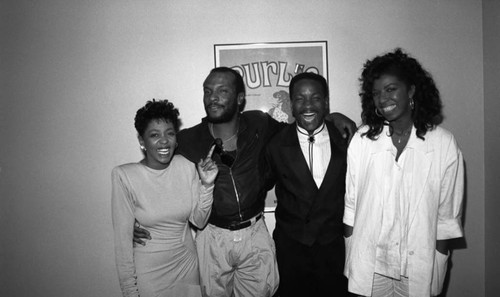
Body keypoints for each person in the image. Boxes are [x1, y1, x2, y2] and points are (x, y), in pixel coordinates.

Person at [134, 67, 356, 297]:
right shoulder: (189, 139)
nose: (213, 97)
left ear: (240, 99)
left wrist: (331, 118)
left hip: (255, 234)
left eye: (222, 91)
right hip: (212, 236)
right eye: (208, 91)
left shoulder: (261, 125)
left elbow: (301, 127)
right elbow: (154, 165)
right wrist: (139, 215)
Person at [343, 49, 464, 297]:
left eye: (390, 89)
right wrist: (352, 248)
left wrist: (439, 257)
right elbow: (351, 205)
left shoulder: (442, 143)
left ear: (411, 90)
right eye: (376, 93)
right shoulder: (363, 140)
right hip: (371, 265)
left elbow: (447, 216)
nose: (382, 99)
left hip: (418, 267)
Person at [111, 99, 218, 297]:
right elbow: (122, 245)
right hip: (149, 275)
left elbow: (199, 221)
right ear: (142, 141)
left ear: (176, 139)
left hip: (187, 269)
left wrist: (207, 185)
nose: (163, 141)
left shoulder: (186, 166)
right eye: (154, 135)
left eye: (169, 133)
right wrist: (130, 292)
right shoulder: (124, 176)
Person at [264, 72, 348, 297]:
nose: (308, 105)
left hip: (334, 249)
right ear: (291, 104)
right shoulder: (275, 144)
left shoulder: (347, 139)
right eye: (300, 98)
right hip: (291, 250)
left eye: (316, 98)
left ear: (326, 102)